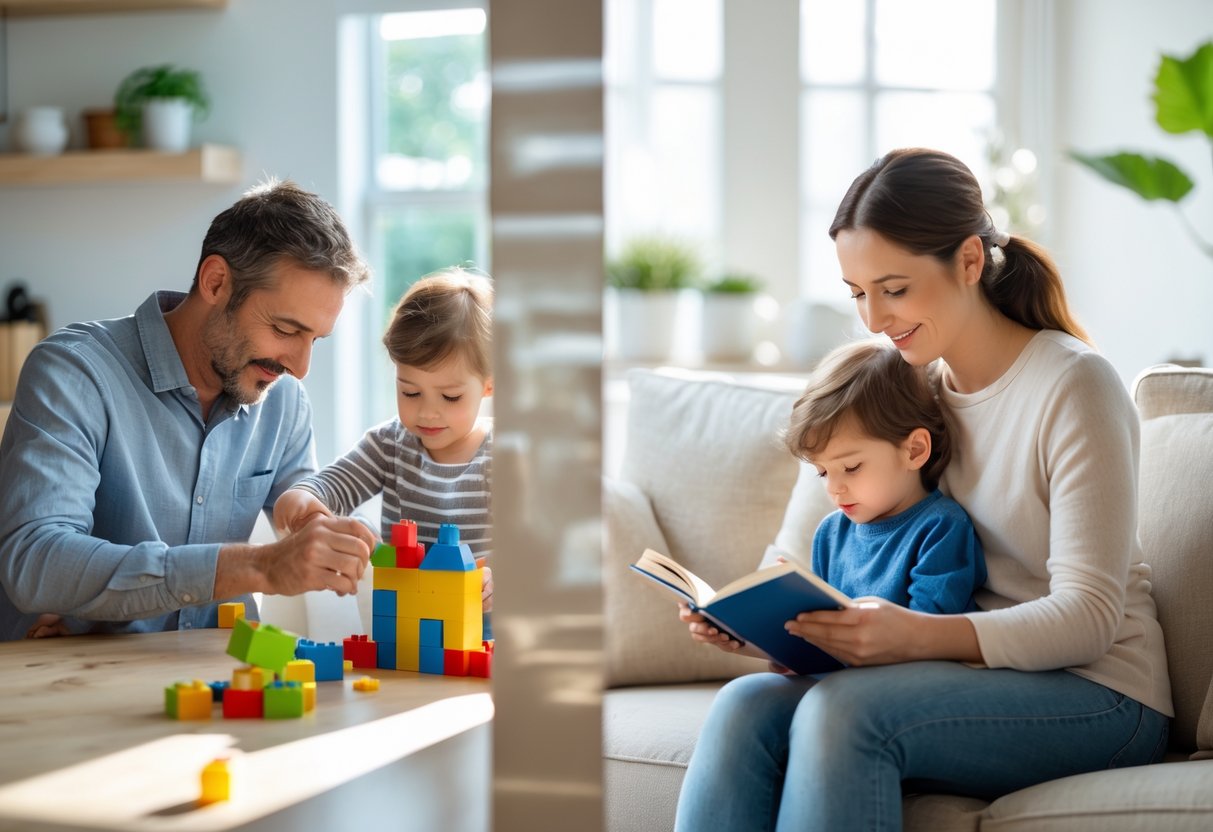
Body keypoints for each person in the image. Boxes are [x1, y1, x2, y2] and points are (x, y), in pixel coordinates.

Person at [675, 148, 1172, 832]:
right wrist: (763, 626)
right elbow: (807, 560)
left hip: (1100, 694)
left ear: (969, 261)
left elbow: (1087, 618)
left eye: (894, 288)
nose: (873, 319)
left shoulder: (1073, 384)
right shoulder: (903, 394)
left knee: (845, 713)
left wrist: (914, 636)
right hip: (973, 679)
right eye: (856, 294)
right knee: (745, 707)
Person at [0, 178, 379, 642]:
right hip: (81, 676)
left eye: (314, 340)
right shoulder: (75, 373)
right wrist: (254, 566)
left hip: (220, 677)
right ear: (216, 281)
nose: (300, 368)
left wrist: (316, 524)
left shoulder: (282, 398)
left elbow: (298, 500)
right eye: (285, 329)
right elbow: (35, 562)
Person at [690, 337, 986, 671]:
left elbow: (925, 643)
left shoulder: (941, 528)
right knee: (742, 697)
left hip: (904, 686)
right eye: (822, 473)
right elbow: (818, 650)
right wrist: (742, 637)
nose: (834, 488)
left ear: (914, 450)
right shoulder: (831, 533)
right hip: (840, 683)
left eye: (851, 468)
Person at [272, 267, 495, 631]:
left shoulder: (497, 459)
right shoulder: (390, 445)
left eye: (451, 396)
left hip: (478, 632)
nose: (427, 411)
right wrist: (301, 498)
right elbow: (329, 487)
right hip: (401, 628)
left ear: (487, 386)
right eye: (410, 391)